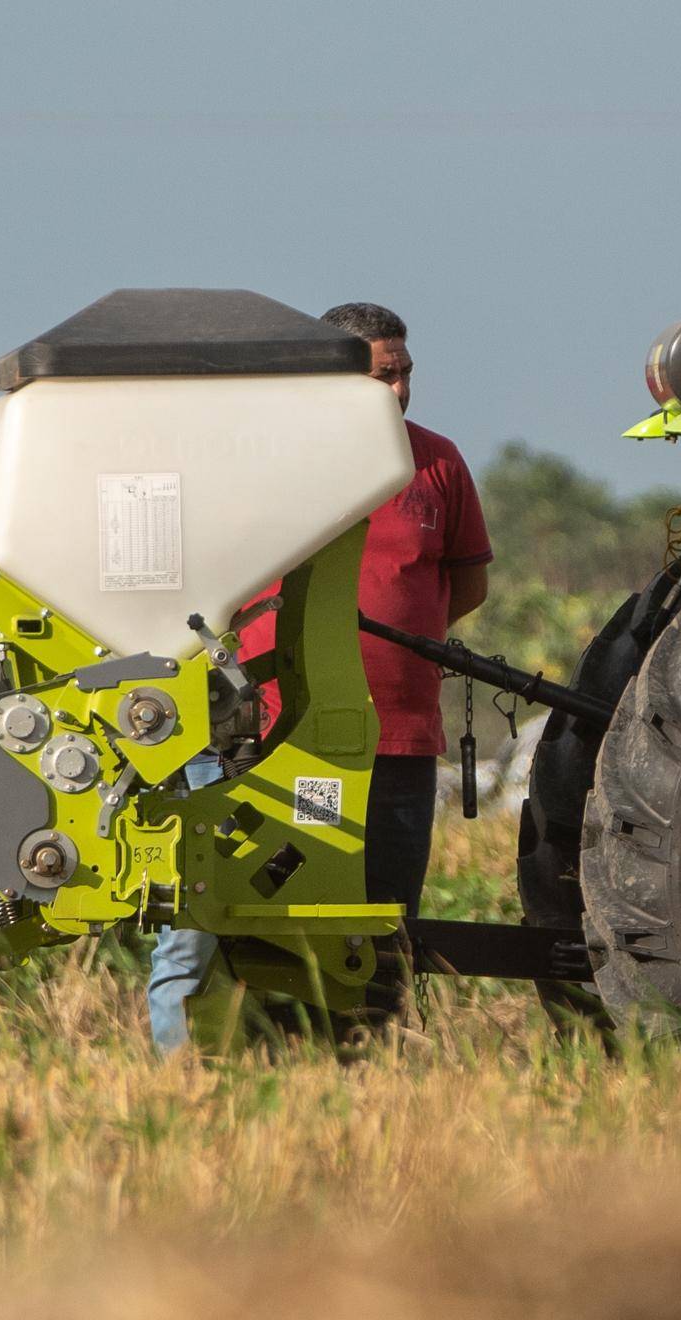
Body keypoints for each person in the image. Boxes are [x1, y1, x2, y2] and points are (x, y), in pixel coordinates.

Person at [146, 301, 490, 1055]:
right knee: (277, 916)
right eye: (379, 377)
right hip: (284, 741)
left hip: (398, 742)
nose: (396, 392)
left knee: (383, 922)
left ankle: (363, 1070)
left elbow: (465, 587)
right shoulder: (274, 467)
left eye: (403, 373)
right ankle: (250, 1065)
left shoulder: (437, 463)